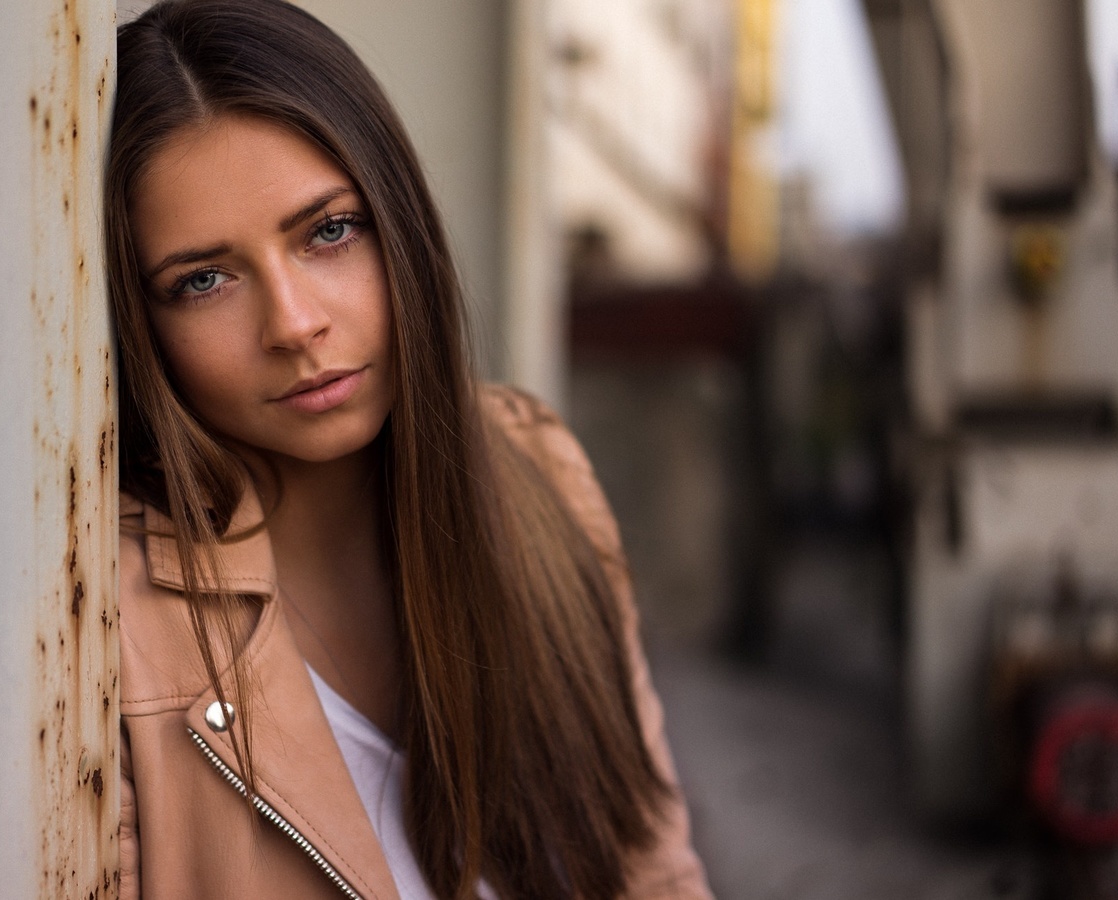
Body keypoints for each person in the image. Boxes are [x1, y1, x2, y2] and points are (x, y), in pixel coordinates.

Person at [106, 2, 712, 897]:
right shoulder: (117, 625)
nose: (295, 323)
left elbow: (655, 872)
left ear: (401, 221)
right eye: (204, 280)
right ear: (140, 320)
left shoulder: (541, 478)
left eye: (329, 231)